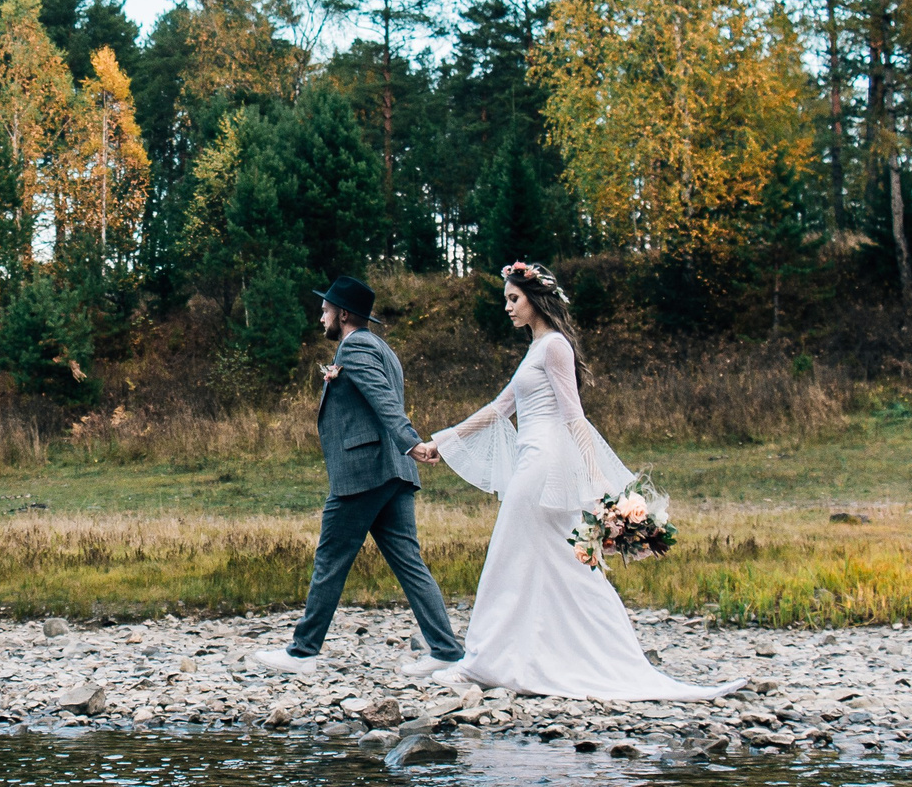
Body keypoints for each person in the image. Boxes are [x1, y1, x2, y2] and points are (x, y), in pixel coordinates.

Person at [408, 261, 741, 702]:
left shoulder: (555, 347)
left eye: (514, 298)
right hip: (533, 460)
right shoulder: (536, 348)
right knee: (537, 560)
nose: (507, 307)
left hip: (544, 465)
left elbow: (574, 416)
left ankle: (498, 661)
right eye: (506, 299)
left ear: (536, 299)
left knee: (523, 555)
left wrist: (600, 482)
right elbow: (498, 409)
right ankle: (510, 656)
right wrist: (442, 442)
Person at [250, 276, 468, 679]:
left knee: (331, 557)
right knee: (408, 561)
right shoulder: (382, 348)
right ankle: (446, 652)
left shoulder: (358, 346)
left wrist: (412, 443)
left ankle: (302, 652)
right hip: (391, 472)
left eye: (326, 309)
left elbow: (384, 400)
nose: (321, 316)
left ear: (344, 314)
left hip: (366, 470)